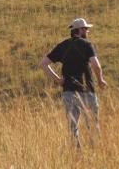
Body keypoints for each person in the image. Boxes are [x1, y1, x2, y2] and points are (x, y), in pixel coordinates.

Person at [39, 17, 107, 145]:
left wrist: (59, 80)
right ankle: (94, 151)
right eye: (86, 29)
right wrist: (100, 80)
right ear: (80, 30)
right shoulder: (87, 45)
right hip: (87, 90)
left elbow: (43, 64)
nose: (87, 32)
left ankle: (77, 152)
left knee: (73, 127)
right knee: (92, 125)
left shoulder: (62, 45)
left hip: (68, 92)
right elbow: (96, 66)